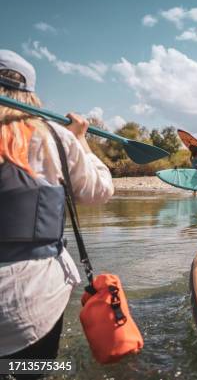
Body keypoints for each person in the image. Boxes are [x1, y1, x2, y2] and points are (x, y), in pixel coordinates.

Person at [0, 50, 114, 370]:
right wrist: (80, 141)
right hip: (29, 306)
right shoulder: (54, 136)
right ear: (31, 93)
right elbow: (98, 191)